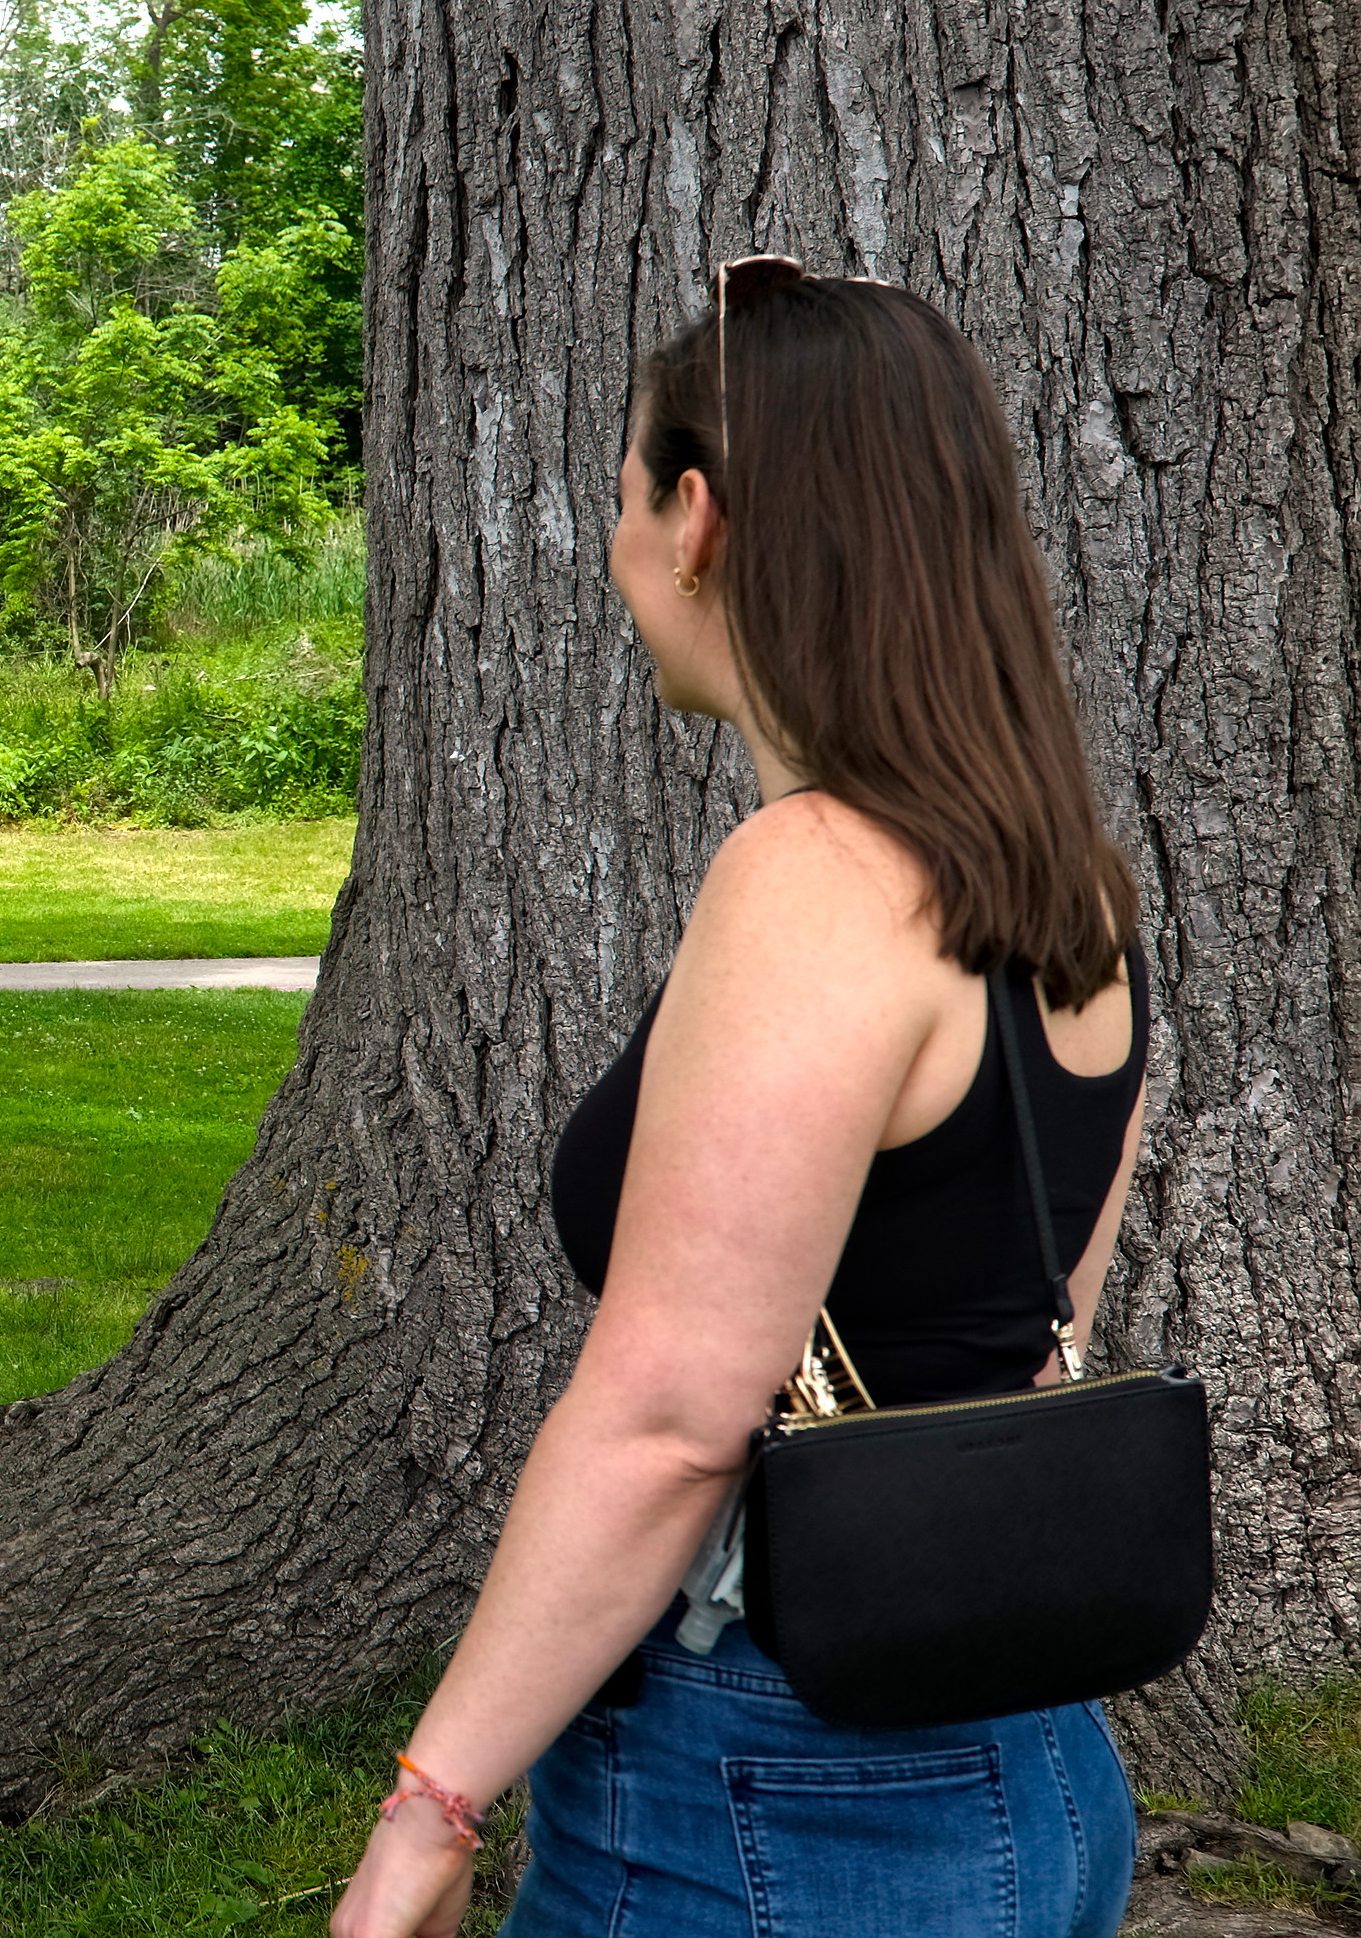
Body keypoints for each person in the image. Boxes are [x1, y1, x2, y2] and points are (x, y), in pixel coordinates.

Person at [331, 263, 1150, 1938]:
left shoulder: (815, 881)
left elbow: (668, 1427)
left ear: (694, 516)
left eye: (624, 492)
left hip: (779, 1802)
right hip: (1033, 1768)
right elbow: (1024, 1333)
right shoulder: (1063, 884)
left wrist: (432, 1807)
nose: (621, 544)